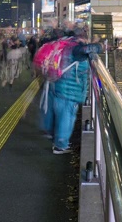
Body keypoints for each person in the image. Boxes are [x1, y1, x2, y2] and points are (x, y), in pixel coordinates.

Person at [49, 25, 103, 154]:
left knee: (62, 115)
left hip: (60, 85)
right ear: (82, 38)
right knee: (67, 117)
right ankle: (60, 145)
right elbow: (88, 49)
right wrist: (100, 45)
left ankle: (58, 141)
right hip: (69, 90)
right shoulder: (77, 48)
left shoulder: (67, 44)